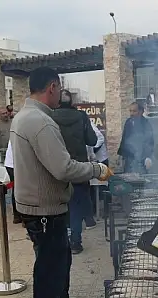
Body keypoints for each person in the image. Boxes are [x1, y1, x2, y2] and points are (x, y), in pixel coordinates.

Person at [12, 66, 112, 298]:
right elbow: (63, 167)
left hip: (42, 205)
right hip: (44, 209)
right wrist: (97, 169)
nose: (60, 95)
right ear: (52, 87)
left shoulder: (26, 116)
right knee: (49, 271)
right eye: (59, 89)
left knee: (61, 262)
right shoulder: (40, 122)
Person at [50, 89, 98, 254]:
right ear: (72, 102)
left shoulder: (50, 116)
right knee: (76, 205)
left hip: (57, 167)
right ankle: (76, 243)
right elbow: (93, 139)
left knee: (59, 206)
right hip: (79, 168)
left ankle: (61, 242)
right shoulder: (82, 117)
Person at [118, 102, 153, 173]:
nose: (131, 113)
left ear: (141, 112)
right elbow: (124, 138)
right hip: (129, 157)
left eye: (134, 111)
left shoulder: (146, 123)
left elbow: (150, 141)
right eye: (130, 111)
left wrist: (148, 157)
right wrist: (121, 155)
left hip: (141, 158)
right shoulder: (128, 122)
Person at [4, 140, 21, 224]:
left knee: (16, 189)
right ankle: (20, 215)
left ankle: (17, 215)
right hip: (14, 164)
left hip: (11, 163)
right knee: (19, 190)